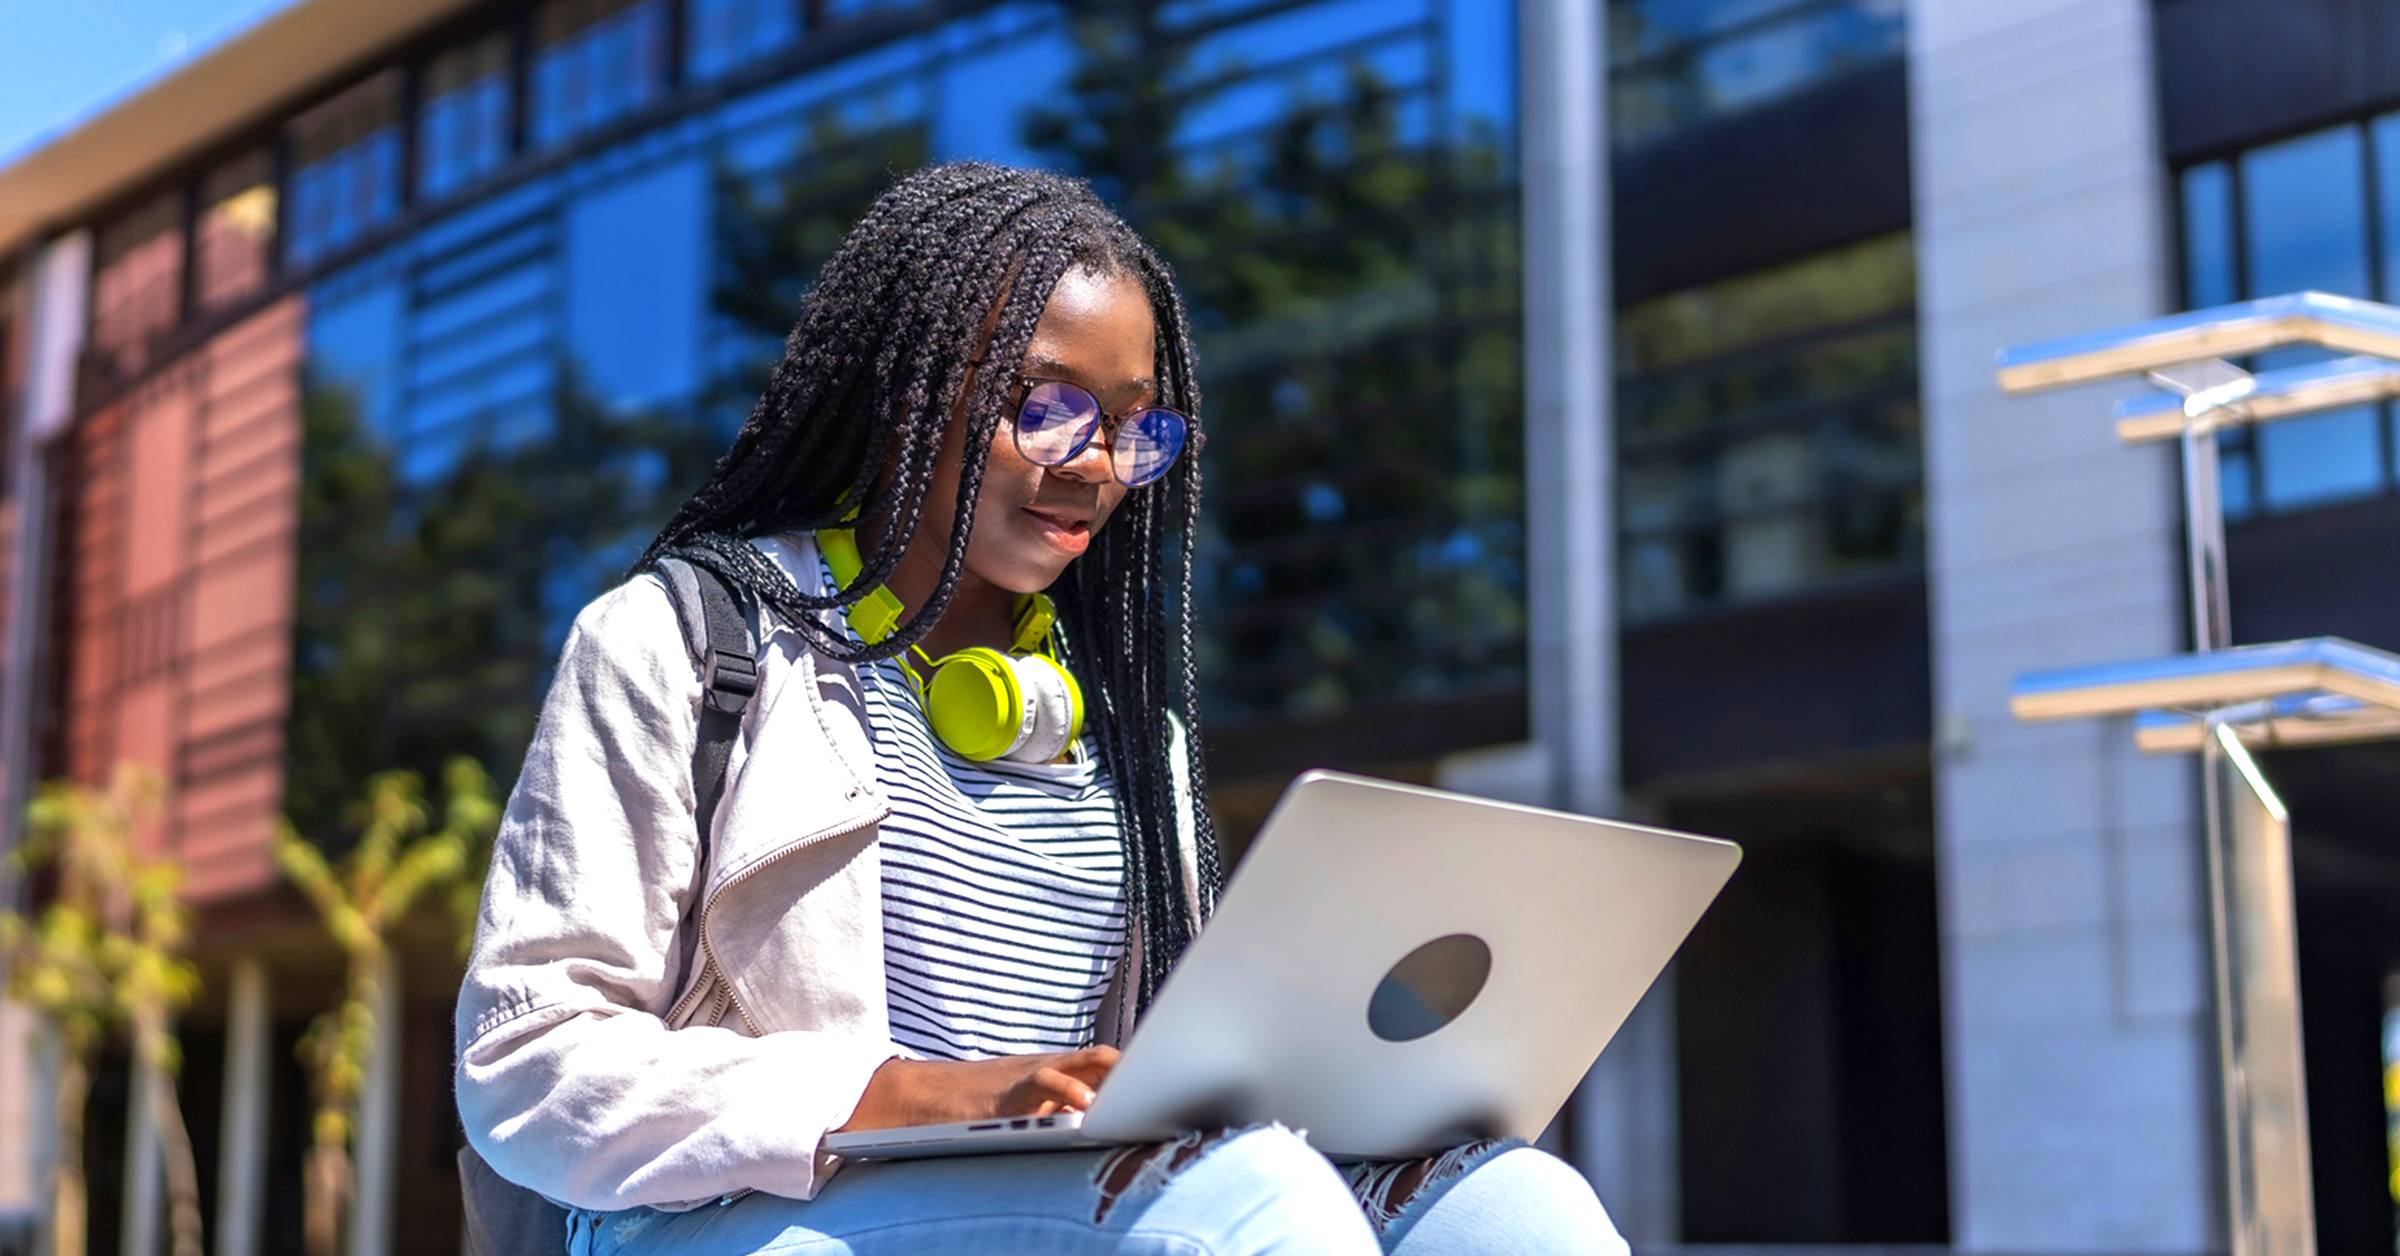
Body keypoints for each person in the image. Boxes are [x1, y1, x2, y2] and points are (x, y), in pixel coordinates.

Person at [455, 162, 1626, 1255]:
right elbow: (529, 1058)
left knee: (1520, 1205)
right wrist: (904, 1096)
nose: (1098, 465)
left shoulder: (1126, 730)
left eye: (1135, 427)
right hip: (735, 1212)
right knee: (1243, 1204)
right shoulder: (685, 639)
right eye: (1049, 408)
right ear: (905, 393)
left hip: (1050, 1191)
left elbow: (1151, 1082)